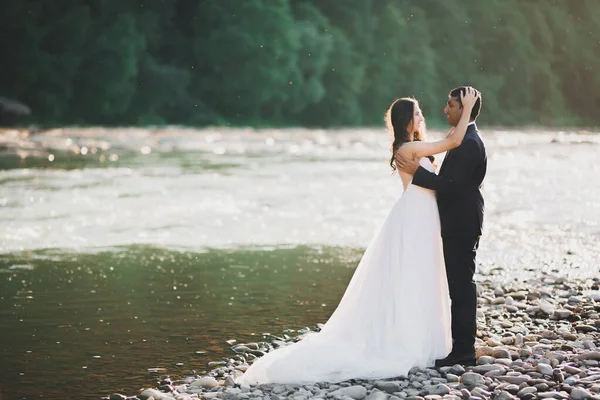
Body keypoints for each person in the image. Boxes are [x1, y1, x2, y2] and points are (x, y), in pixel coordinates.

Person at [237, 88, 479, 385]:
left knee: (422, 278)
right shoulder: (408, 149)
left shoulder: (416, 146)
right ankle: (407, 340)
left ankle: (427, 339)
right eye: (416, 113)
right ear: (406, 121)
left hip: (425, 218)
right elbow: (454, 141)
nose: (423, 115)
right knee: (411, 278)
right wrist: (467, 108)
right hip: (415, 218)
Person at [396, 86, 486, 367]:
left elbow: (451, 188)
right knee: (455, 286)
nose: (444, 109)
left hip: (461, 222)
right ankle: (456, 346)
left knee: (460, 287)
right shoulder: (461, 137)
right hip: (448, 220)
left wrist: (417, 174)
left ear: (464, 108)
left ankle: (464, 351)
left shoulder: (469, 141)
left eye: (451, 105)